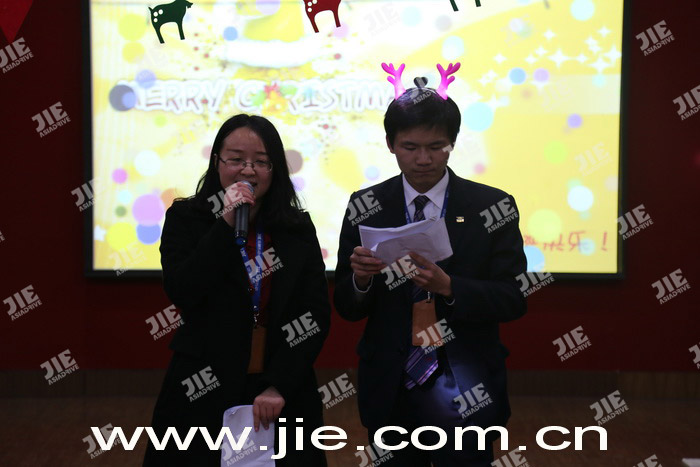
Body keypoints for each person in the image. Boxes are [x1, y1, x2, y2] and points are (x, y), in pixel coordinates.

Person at [334, 63, 527, 466]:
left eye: (436, 147)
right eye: (410, 147)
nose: (423, 159)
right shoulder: (366, 204)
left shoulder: (493, 205)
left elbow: (513, 298)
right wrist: (361, 280)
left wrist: (449, 287)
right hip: (391, 383)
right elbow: (347, 307)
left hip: (466, 383)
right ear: (390, 144)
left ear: (453, 143)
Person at [144, 114, 330, 466]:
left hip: (281, 387)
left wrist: (279, 384)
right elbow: (183, 290)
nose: (248, 170)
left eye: (261, 161)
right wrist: (226, 222)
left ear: (275, 169)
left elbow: (315, 313)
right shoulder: (187, 218)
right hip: (203, 383)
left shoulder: (295, 227)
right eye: (236, 159)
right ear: (217, 162)